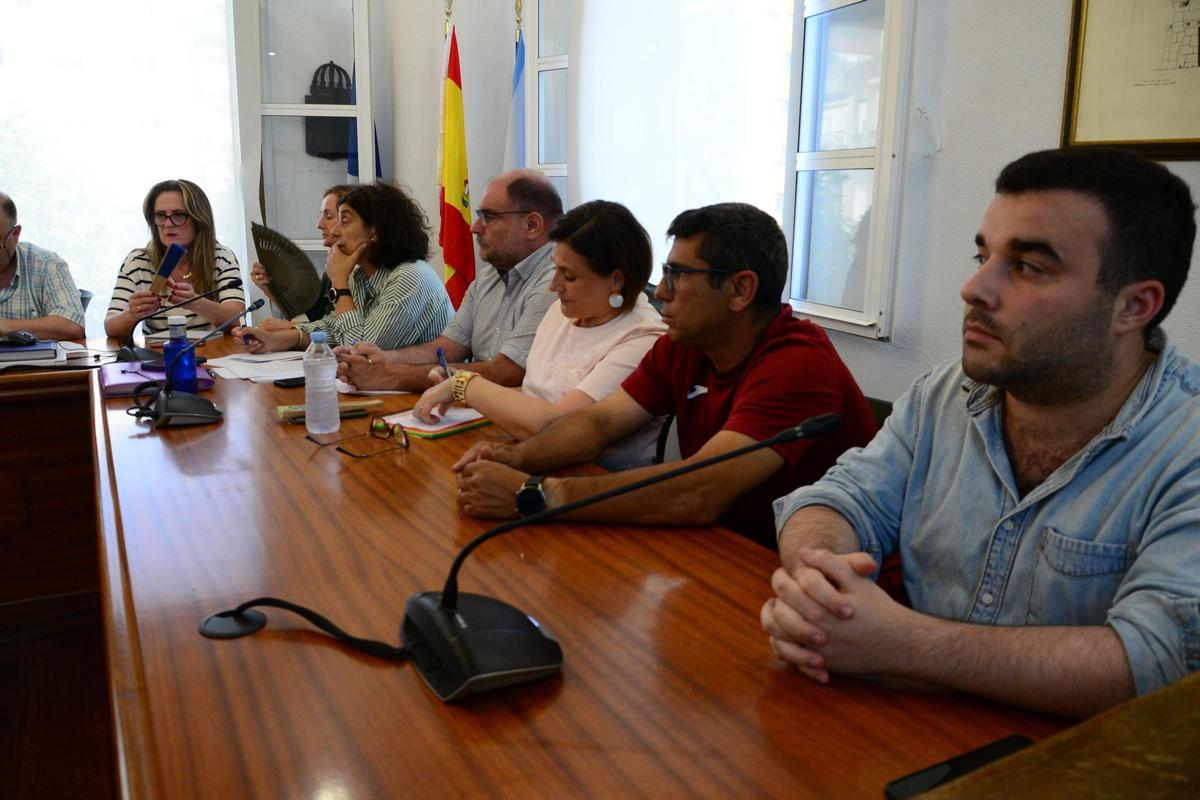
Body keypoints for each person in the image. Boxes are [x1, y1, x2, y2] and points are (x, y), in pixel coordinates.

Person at [762, 147, 1200, 719]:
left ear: (1134, 306)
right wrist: (820, 583)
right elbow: (836, 500)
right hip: (908, 735)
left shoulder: (1184, 442)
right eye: (983, 254)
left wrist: (901, 642)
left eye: (1028, 267)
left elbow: (1157, 663)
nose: (974, 288)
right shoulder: (942, 397)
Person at [453, 202, 877, 549]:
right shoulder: (684, 344)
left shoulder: (798, 361)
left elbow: (699, 490)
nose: (661, 292)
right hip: (717, 547)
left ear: (740, 290)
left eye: (679, 276)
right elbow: (599, 423)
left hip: (794, 569)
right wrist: (513, 457)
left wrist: (535, 494)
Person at [411, 200, 667, 469]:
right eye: (555, 270)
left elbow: (558, 427)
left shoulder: (644, 340)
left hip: (595, 484)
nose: (554, 287)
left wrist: (465, 385)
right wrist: (460, 393)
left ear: (617, 279)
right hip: (536, 459)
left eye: (568, 276)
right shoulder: (563, 312)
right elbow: (537, 391)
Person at [335, 169, 561, 392]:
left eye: (489, 217)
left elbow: (506, 373)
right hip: (478, 406)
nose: (475, 227)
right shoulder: (488, 277)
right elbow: (448, 347)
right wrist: (381, 358)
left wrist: (391, 375)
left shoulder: (555, 281)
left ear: (532, 225)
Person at [234, 182, 453, 352]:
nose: (335, 231)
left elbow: (361, 349)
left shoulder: (410, 277)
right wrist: (279, 340)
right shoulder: (360, 274)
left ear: (375, 231)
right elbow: (336, 326)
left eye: (345, 221)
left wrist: (339, 285)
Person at [105, 179, 245, 337]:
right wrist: (132, 314)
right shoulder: (138, 261)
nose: (168, 224)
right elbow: (111, 327)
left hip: (213, 354)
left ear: (199, 219)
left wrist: (195, 302)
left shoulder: (221, 257)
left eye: (178, 215)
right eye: (160, 216)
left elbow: (237, 319)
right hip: (158, 356)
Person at [249, 183, 353, 322]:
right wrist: (270, 289)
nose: (319, 224)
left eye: (328, 216)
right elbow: (310, 318)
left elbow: (336, 330)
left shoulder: (356, 271)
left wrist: (291, 331)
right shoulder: (333, 265)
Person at [0, 191, 85, 340]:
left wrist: (5, 327)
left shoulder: (47, 265)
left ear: (15, 234)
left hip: (35, 363)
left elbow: (72, 324)